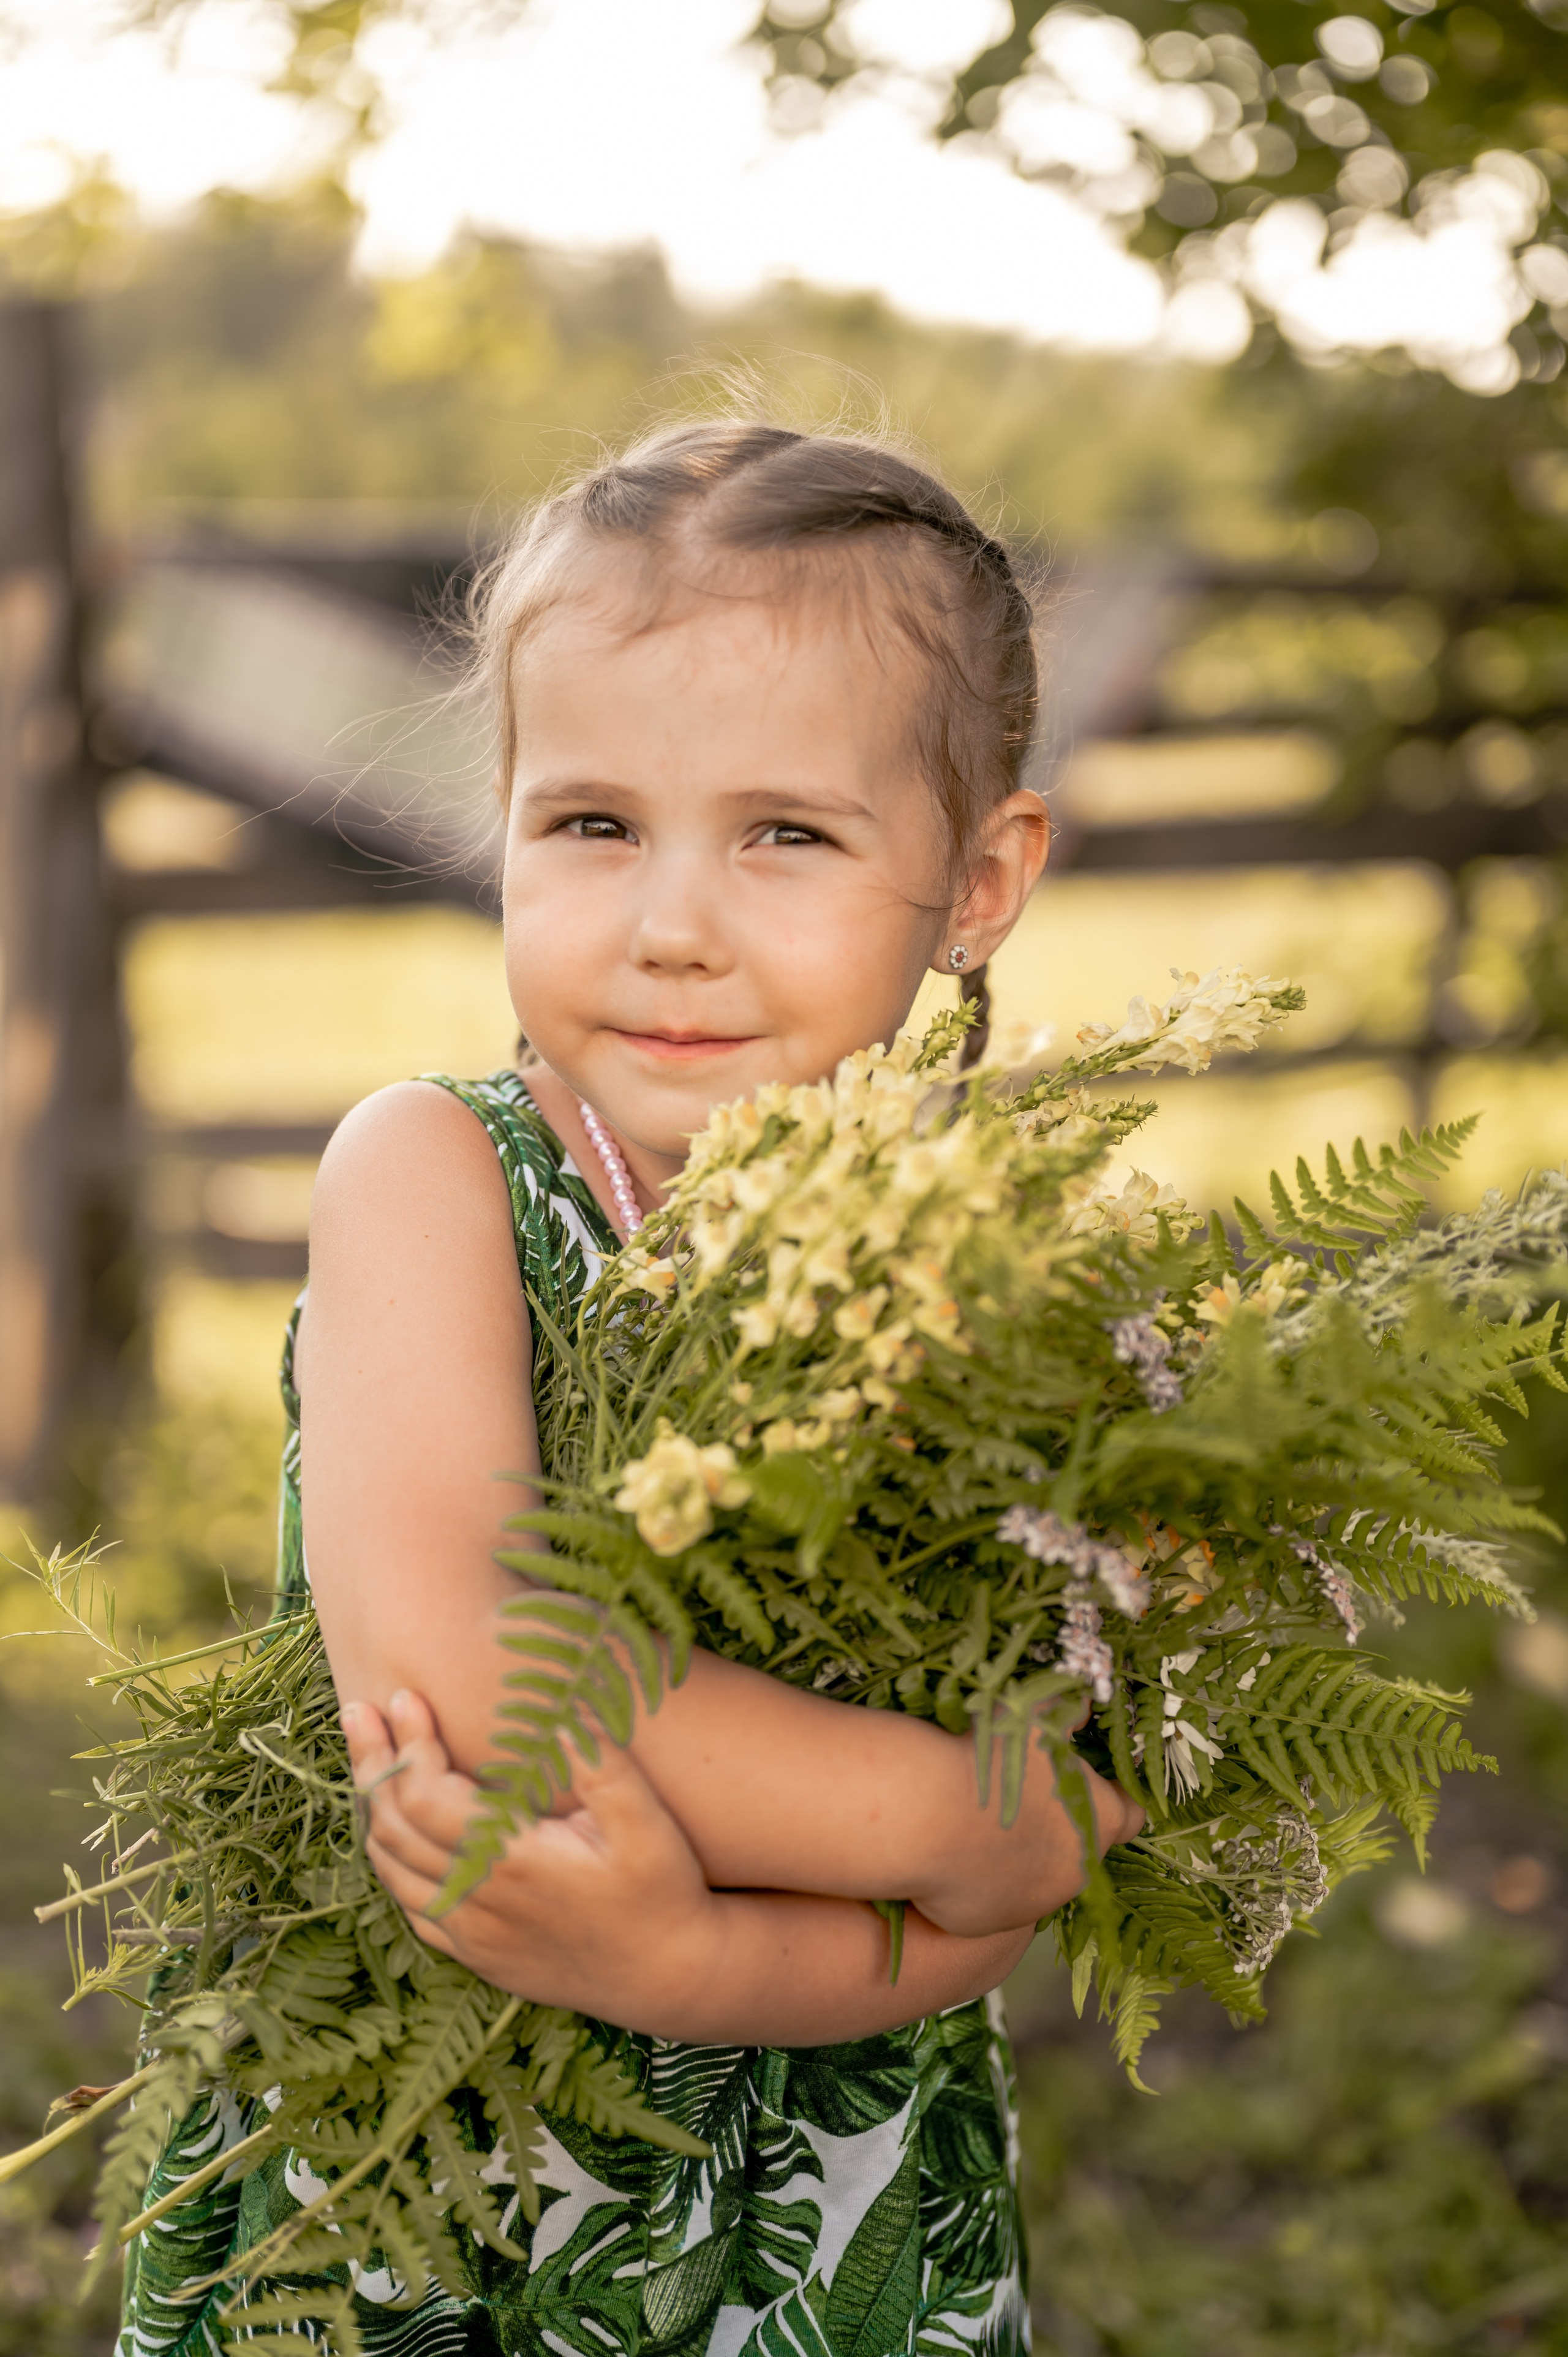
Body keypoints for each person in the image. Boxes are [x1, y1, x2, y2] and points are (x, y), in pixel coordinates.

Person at [122, 420, 1142, 2357]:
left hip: (841, 2209)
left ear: (983, 877)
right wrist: (958, 1811)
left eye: (787, 832)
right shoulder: (437, 1178)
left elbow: (988, 1920)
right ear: (499, 822)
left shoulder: (987, 1293)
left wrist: (700, 1961)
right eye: (592, 823)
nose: (672, 919)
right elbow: (482, 1667)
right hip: (433, 2167)